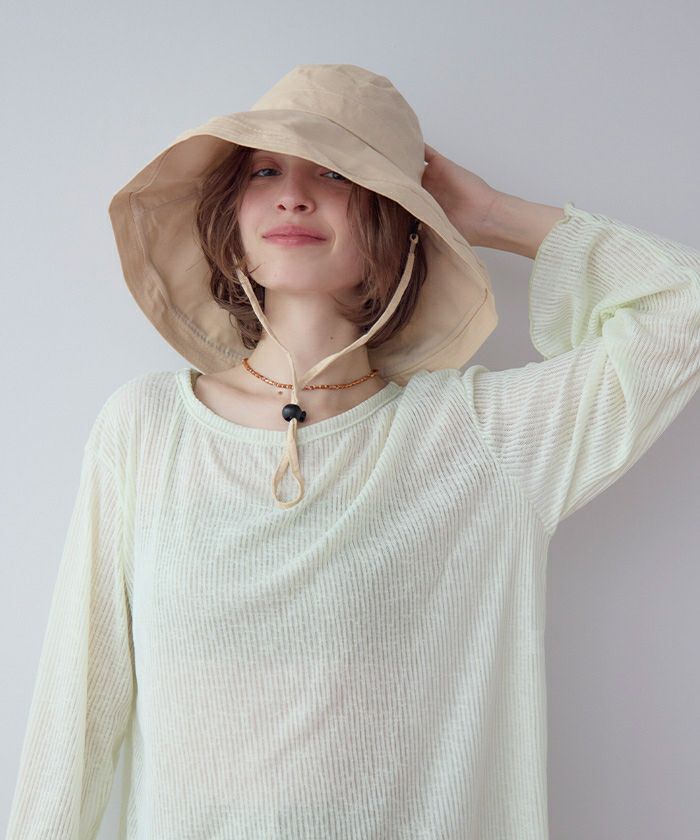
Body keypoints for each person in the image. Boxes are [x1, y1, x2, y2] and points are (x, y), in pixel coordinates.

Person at [6, 64, 700, 840]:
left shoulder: (479, 439)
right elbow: (77, 713)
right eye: (265, 170)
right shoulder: (146, 429)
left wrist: (492, 215)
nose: (293, 196)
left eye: (335, 173)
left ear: (394, 218)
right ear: (231, 216)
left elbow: (682, 309)